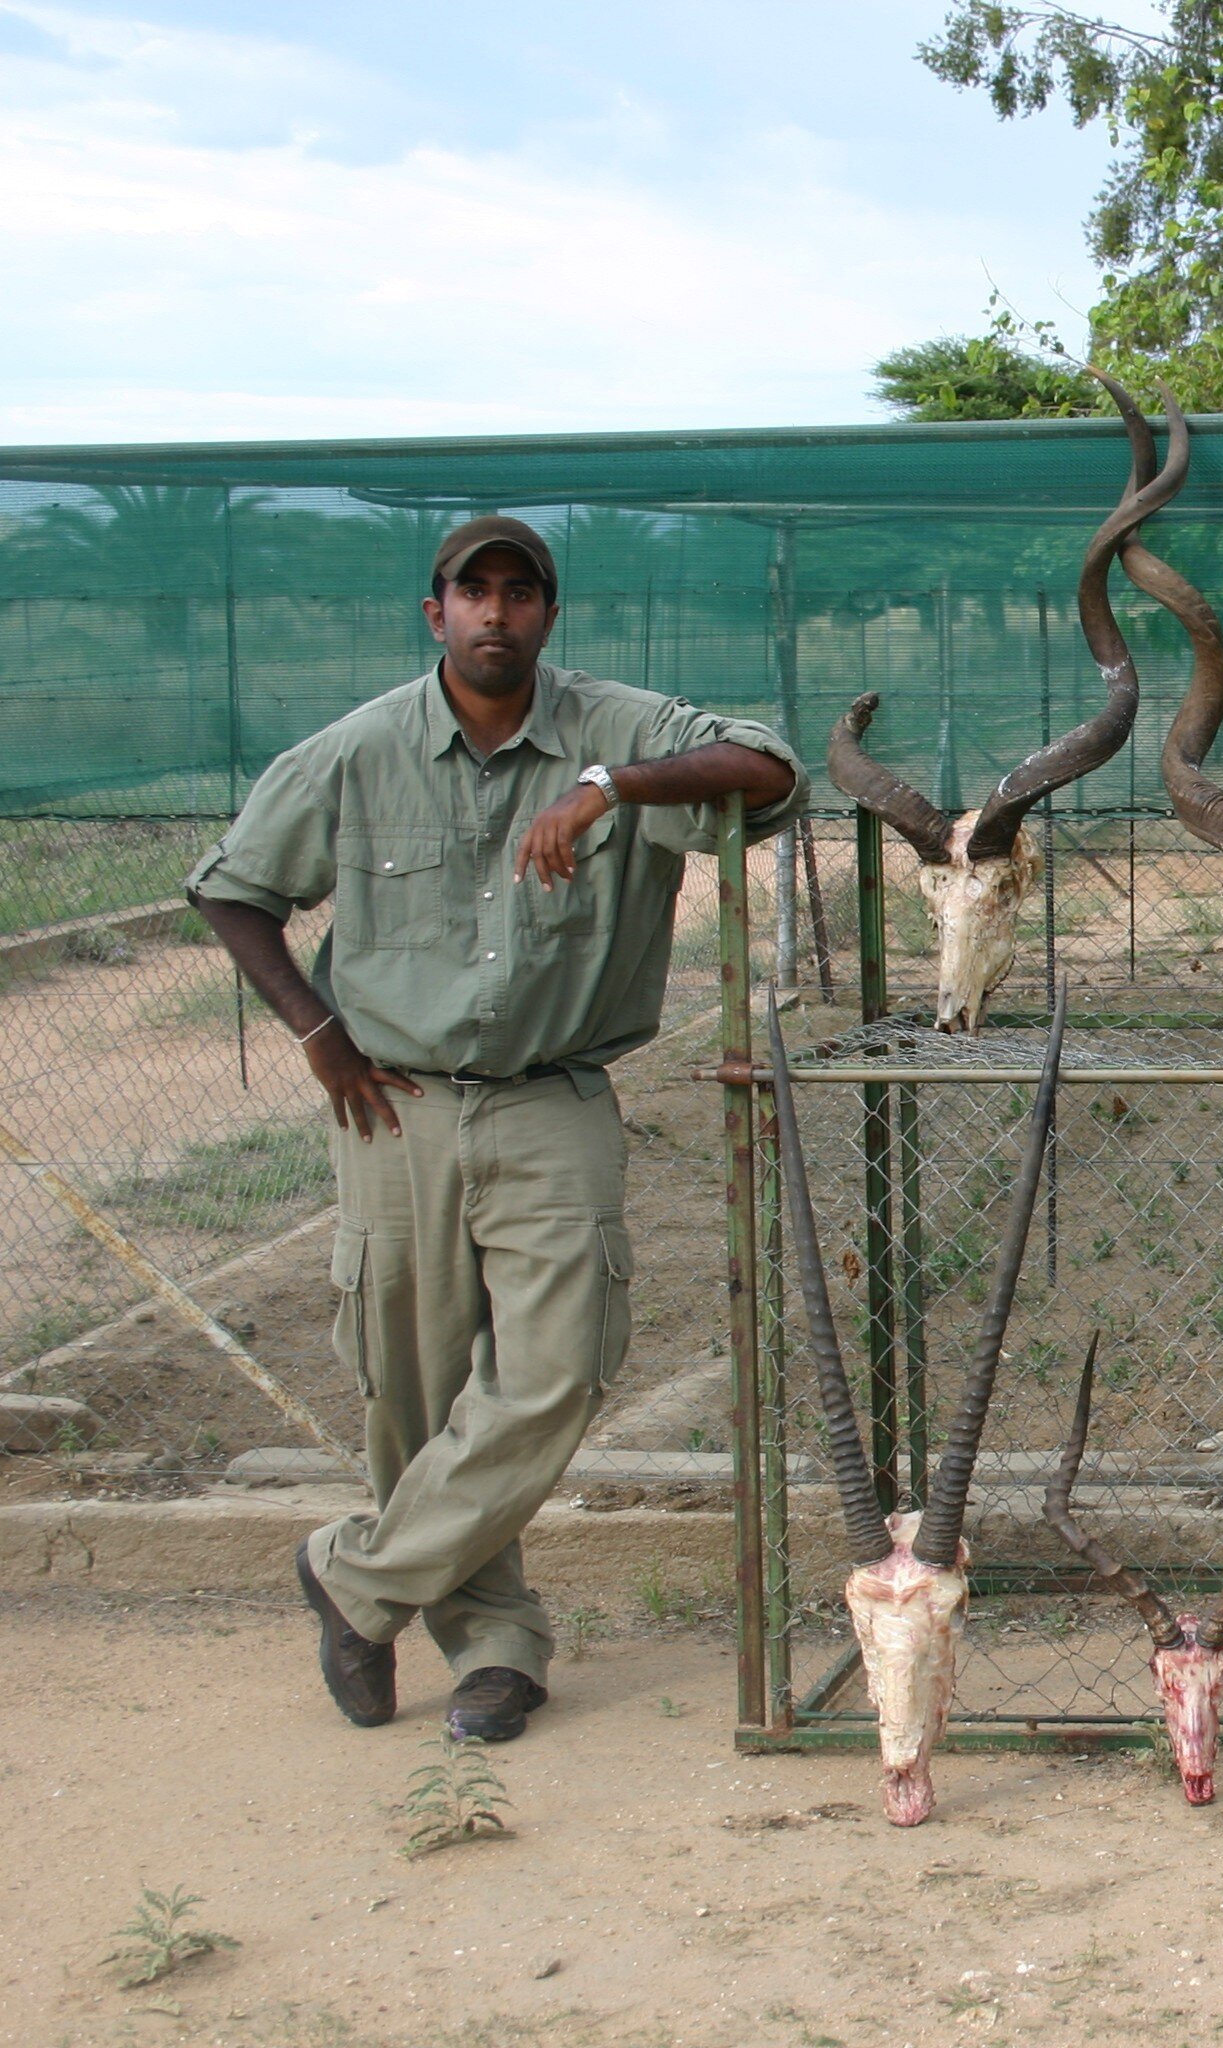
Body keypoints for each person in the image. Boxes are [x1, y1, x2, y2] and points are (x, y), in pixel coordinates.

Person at [189, 515, 804, 1743]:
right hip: (395, 1102)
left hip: (552, 1096)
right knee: (408, 1393)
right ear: (435, 614)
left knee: (556, 1368)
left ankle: (354, 1580)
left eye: (521, 594)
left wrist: (609, 788)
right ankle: (494, 1645)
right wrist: (317, 1032)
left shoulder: (616, 729)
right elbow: (232, 886)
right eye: (473, 593)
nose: (496, 615)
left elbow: (773, 769)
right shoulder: (358, 752)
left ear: (547, 616)